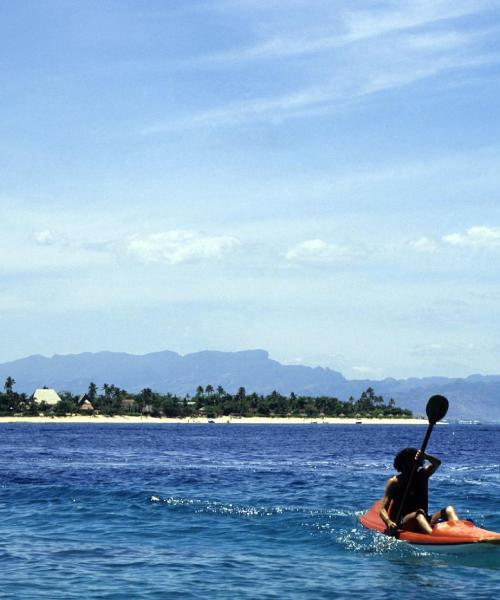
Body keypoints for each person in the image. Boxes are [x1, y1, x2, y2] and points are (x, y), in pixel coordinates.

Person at [379, 447, 459, 535]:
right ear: (403, 464)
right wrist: (389, 522)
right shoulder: (395, 482)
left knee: (449, 509)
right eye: (410, 462)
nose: (413, 465)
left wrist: (426, 456)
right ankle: (433, 536)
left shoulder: (423, 474)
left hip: (425, 518)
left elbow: (437, 463)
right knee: (418, 513)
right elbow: (382, 509)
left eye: (415, 462)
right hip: (404, 522)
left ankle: (459, 532)